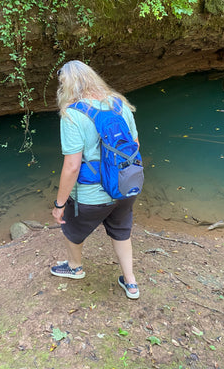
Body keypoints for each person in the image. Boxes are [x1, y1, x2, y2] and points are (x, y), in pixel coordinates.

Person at [50, 60, 141, 299]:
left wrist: (60, 205)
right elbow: (135, 145)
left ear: (66, 85)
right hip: (125, 187)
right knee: (122, 231)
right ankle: (130, 282)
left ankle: (74, 267)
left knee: (71, 230)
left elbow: (71, 166)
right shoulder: (118, 104)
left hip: (91, 195)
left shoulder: (72, 115)